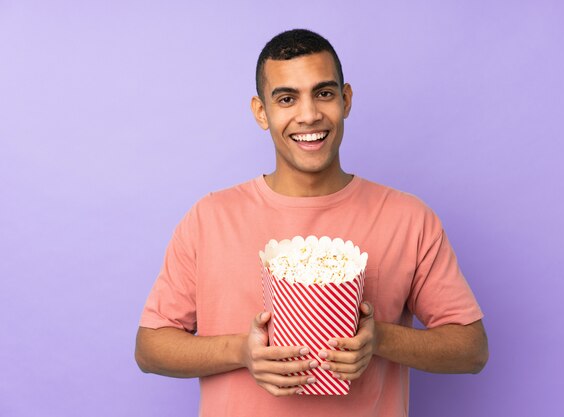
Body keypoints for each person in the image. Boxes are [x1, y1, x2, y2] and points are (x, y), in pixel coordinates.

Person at [135, 29, 488, 417]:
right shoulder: (210, 218)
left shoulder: (408, 218)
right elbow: (150, 349)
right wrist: (241, 352)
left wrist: (380, 339)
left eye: (323, 93)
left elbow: (471, 350)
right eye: (287, 98)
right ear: (260, 112)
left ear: (346, 99)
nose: (309, 115)